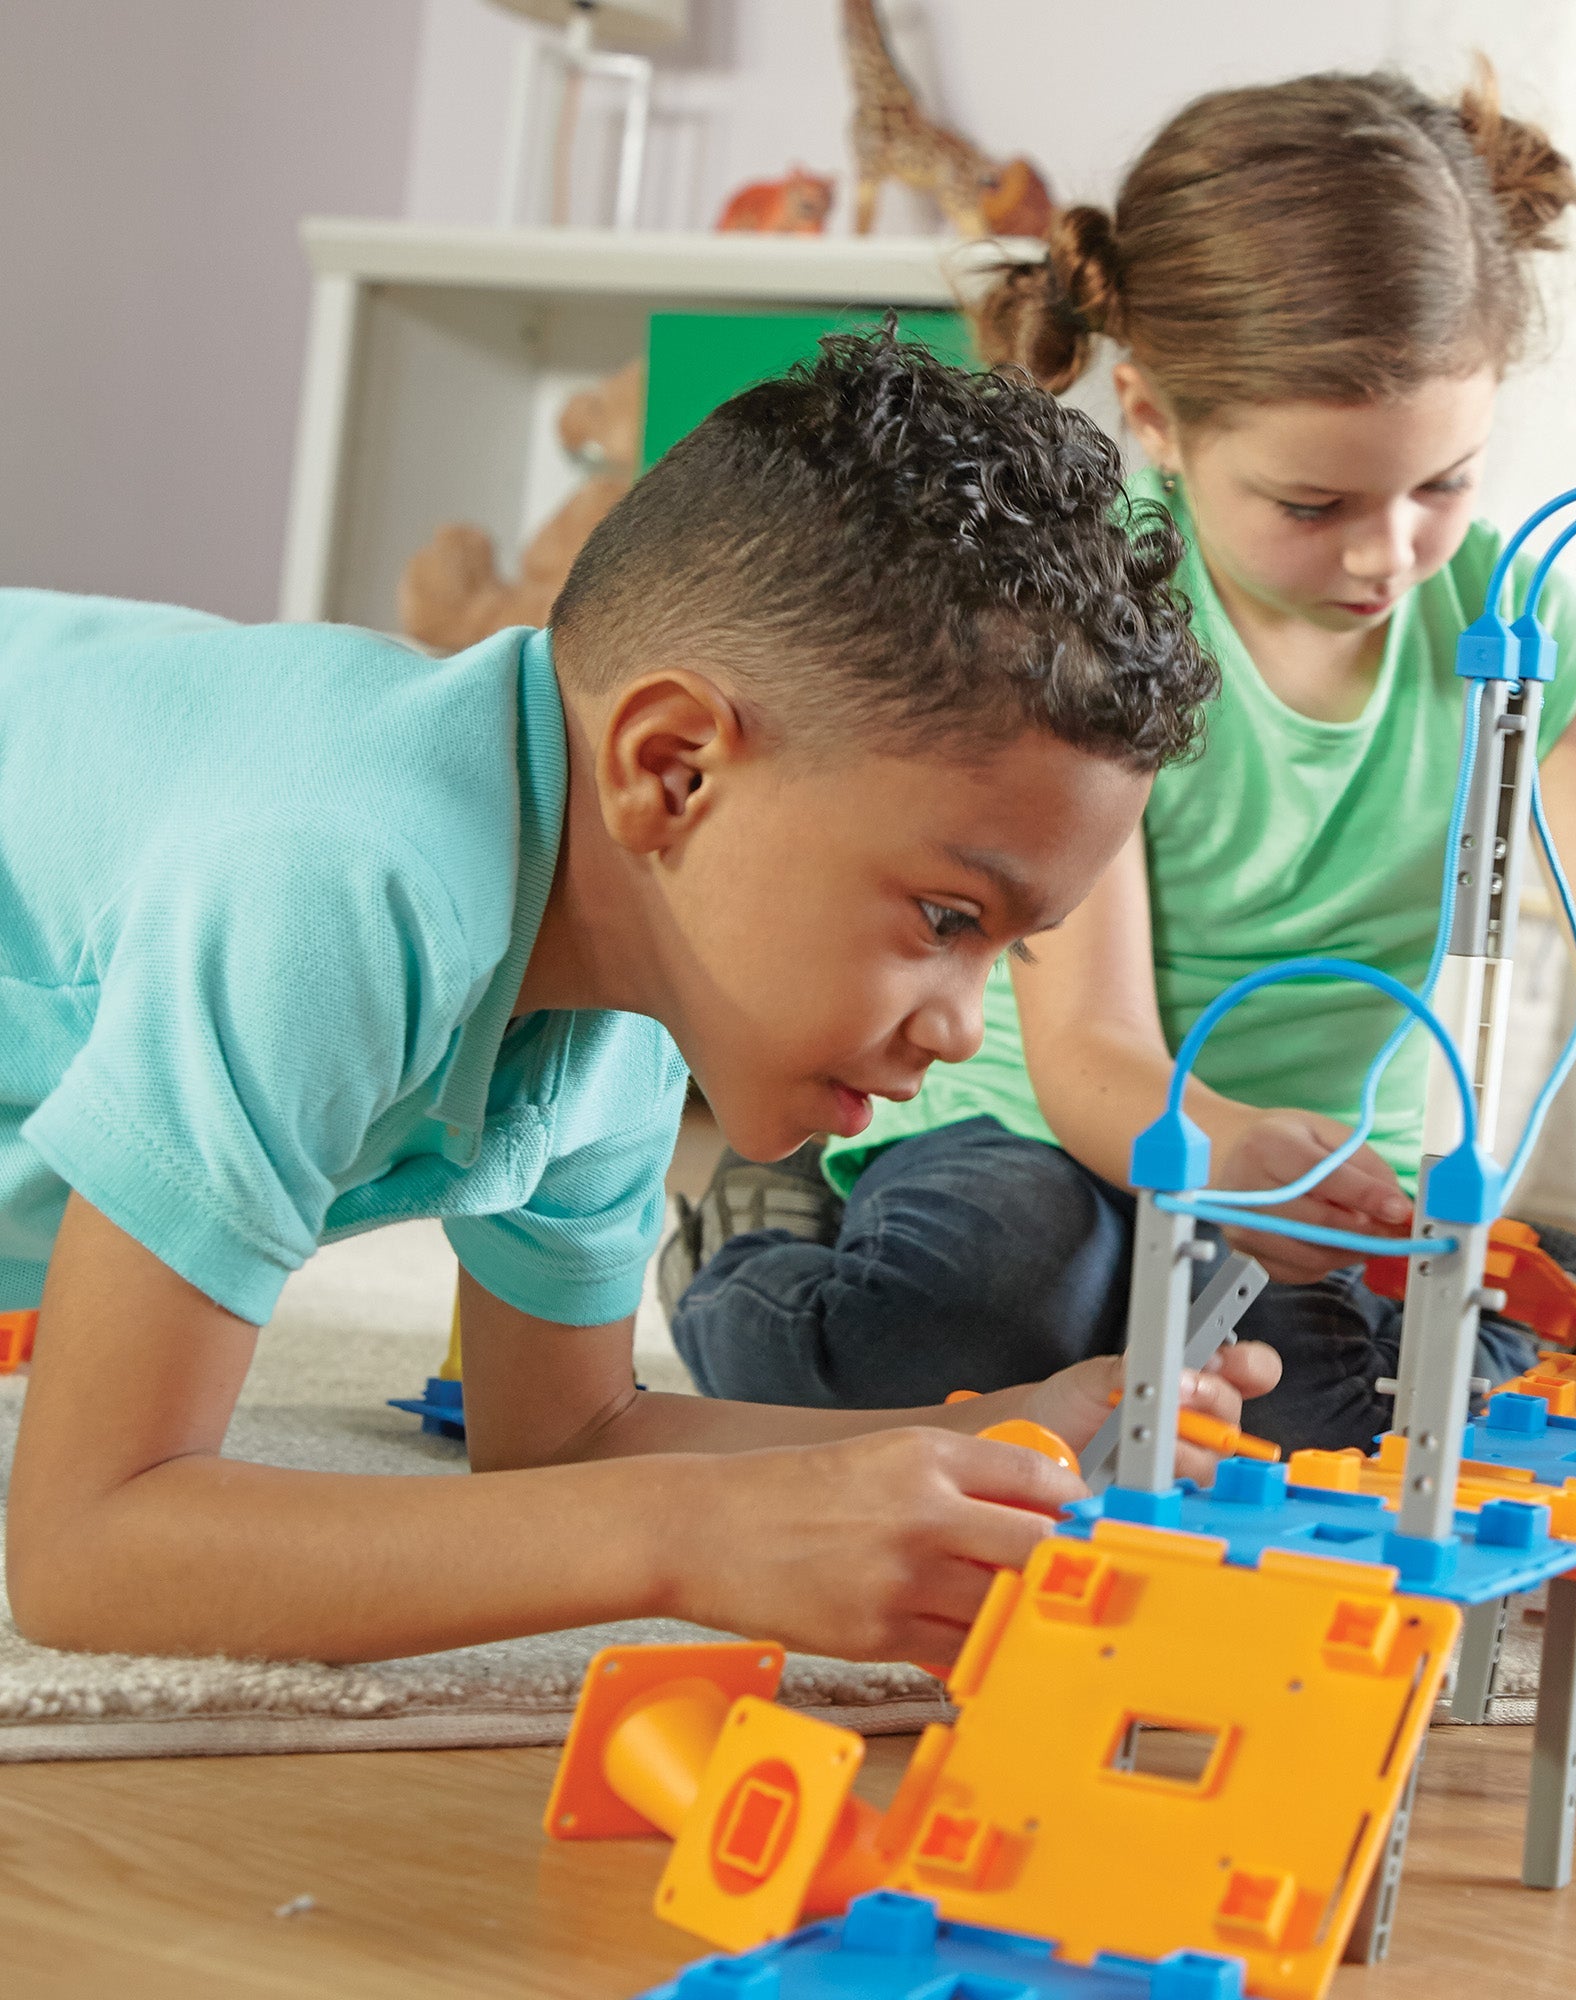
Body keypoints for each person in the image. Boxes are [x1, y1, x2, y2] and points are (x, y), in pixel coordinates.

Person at [1, 329, 1271, 1670]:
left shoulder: (622, 991)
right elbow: (88, 1550)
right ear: (671, 770)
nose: (961, 1026)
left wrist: (1004, 1430)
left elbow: (566, 1442)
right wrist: (688, 1533)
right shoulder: (343, 881)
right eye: (946, 919)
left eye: (1006, 949)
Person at [666, 67, 1576, 1449]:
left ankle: (1160, 1333)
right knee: (986, 1313)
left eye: (1444, 485)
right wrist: (1213, 1151)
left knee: (1363, 1421)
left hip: (1321, 1183)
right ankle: (754, 1251)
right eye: (1313, 501)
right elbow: (1089, 1050)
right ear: (1155, 416)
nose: (1387, 551)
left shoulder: (1531, 641)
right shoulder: (1093, 616)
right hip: (1049, 1132)